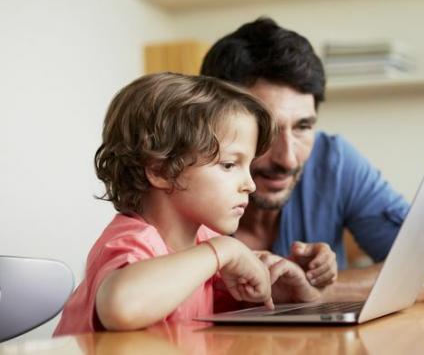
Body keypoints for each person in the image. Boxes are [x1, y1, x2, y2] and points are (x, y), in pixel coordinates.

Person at [200, 17, 424, 301]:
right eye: (265, 130)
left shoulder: (332, 162)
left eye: (303, 127)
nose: (289, 159)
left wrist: (312, 291)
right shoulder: (180, 178)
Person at [54, 73, 329, 336]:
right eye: (229, 164)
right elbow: (121, 307)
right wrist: (223, 250)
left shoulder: (203, 246)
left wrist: (287, 295)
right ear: (161, 170)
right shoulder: (133, 241)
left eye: (248, 165)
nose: (250, 185)